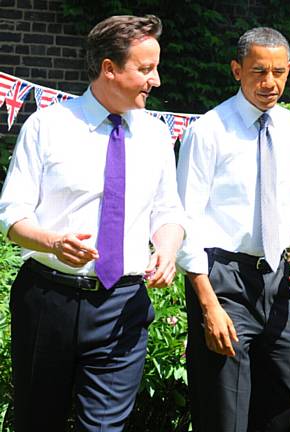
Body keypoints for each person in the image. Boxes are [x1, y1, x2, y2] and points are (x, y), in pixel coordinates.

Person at [0, 15, 185, 431]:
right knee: (36, 422)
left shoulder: (156, 136)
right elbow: (12, 213)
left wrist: (168, 249)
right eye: (146, 69)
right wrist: (52, 241)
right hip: (49, 301)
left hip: (122, 306)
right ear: (109, 68)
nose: (155, 80)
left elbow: (168, 211)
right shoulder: (47, 126)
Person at [176, 27, 290, 432]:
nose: (269, 83)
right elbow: (187, 219)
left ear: (289, 70)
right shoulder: (209, 131)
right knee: (225, 411)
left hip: (274, 280)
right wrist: (207, 304)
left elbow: (288, 196)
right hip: (222, 278)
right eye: (258, 72)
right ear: (237, 70)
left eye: (278, 72)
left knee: (289, 398)